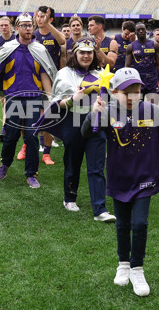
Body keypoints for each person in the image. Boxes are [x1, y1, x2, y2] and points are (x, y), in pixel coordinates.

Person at [82, 67, 159, 297]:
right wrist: (94, 113)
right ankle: (123, 264)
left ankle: (137, 268)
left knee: (139, 223)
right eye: (125, 91)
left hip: (145, 177)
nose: (131, 96)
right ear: (114, 92)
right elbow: (86, 133)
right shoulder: (108, 111)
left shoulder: (151, 109)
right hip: (119, 176)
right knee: (122, 224)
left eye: (136, 90)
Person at [0, 13, 57, 189]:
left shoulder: (39, 49)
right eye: (24, 25)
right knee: (10, 136)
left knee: (32, 138)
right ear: (17, 28)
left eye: (30, 25)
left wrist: (50, 97)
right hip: (14, 99)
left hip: (33, 100)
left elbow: (44, 75)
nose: (28, 28)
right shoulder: (8, 48)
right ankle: (5, 164)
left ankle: (31, 174)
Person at [51, 38, 115, 222]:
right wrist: (72, 99)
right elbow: (57, 103)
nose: (86, 56)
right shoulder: (65, 73)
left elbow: (111, 96)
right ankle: (70, 197)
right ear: (75, 54)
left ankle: (100, 209)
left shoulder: (103, 73)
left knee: (96, 166)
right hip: (74, 121)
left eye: (89, 52)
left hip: (97, 121)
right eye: (82, 52)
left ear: (94, 54)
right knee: (73, 162)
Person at [33, 6, 66, 165]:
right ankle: (27, 146)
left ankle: (46, 153)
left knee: (48, 117)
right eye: (38, 16)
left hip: (51, 83)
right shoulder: (33, 35)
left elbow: (62, 41)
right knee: (29, 116)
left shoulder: (54, 35)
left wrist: (48, 25)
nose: (40, 19)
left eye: (43, 17)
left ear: (50, 19)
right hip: (32, 81)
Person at [125, 23, 159, 105]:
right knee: (137, 106)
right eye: (138, 30)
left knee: (154, 106)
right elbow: (127, 67)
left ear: (146, 30)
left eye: (142, 29)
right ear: (135, 32)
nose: (141, 31)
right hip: (138, 80)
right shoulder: (131, 47)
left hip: (152, 80)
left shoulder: (154, 45)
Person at [0, 16, 16, 142]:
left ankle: (11, 127)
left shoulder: (16, 39)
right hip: (3, 77)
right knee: (5, 103)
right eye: (1, 25)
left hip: (16, 75)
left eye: (6, 25)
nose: (4, 27)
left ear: (11, 26)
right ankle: (5, 127)